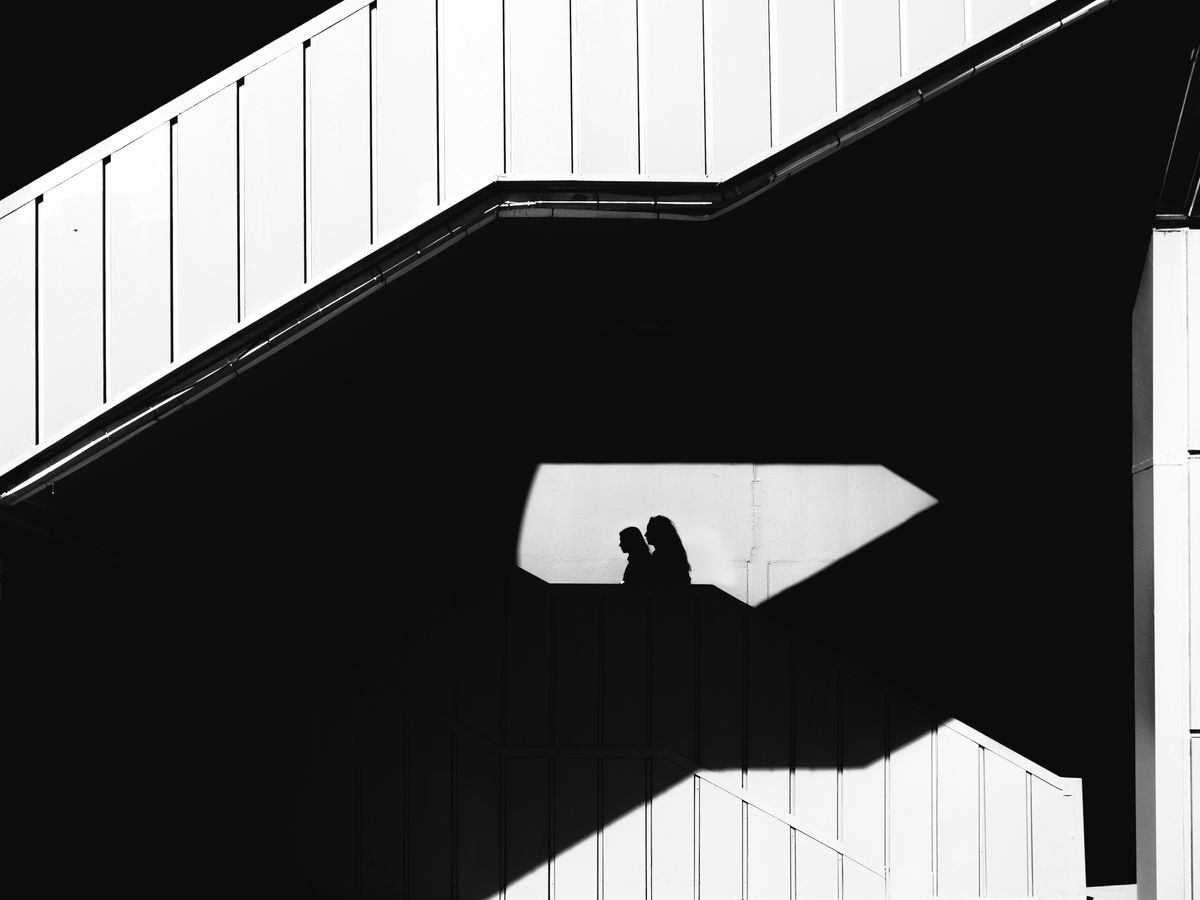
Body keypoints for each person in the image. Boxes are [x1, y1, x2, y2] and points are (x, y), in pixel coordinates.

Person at [645, 515, 691, 585]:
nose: (645, 534)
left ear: (658, 533)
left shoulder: (660, 557)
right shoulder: (677, 554)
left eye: (649, 531)